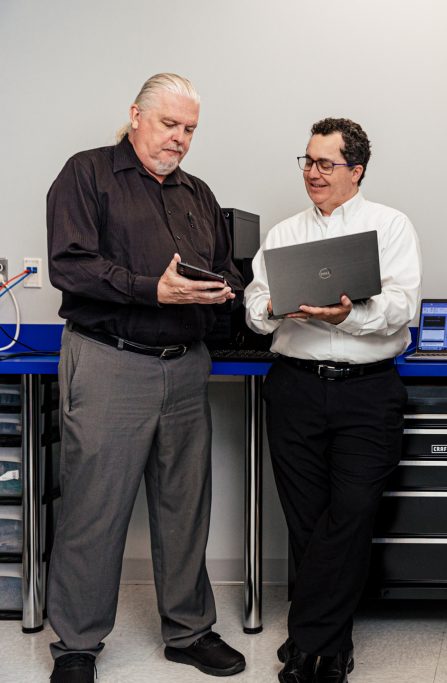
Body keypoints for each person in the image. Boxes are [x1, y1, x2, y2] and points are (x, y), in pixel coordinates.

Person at [45, 73, 246, 682]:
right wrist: (150, 290)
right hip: (109, 360)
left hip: (185, 368)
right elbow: (71, 266)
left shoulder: (198, 193)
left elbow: (224, 270)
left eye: (189, 129)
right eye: (169, 124)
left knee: (185, 507)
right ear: (136, 115)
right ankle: (77, 645)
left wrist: (240, 293)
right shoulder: (87, 174)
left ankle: (189, 632)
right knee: (93, 510)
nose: (180, 139)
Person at [244, 117, 421, 683]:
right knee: (307, 523)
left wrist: (350, 315)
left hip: (366, 392)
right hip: (294, 387)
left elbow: (402, 308)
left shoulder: (390, 227)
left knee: (349, 517)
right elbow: (253, 306)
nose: (313, 174)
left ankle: (306, 644)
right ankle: (328, 652)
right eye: (308, 162)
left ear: (356, 170)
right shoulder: (283, 234)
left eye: (326, 164)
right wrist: (271, 308)